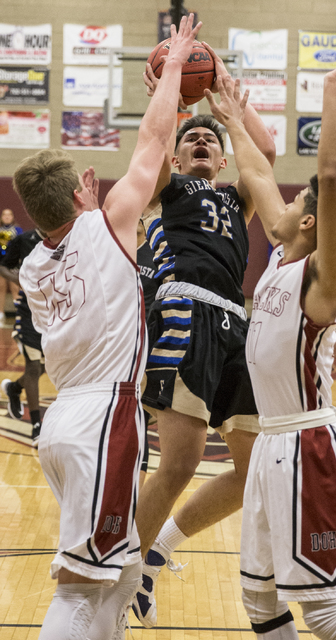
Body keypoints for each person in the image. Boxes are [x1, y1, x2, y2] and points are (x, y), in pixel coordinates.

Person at [13, 14, 202, 640]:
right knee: (79, 589)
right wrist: (173, 66)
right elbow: (152, 147)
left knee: (118, 574)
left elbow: (80, 253)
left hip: (64, 421)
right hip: (102, 421)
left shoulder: (32, 263)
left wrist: (89, 215)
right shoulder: (106, 223)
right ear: (79, 198)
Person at [205, 51, 336, 639]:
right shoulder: (283, 253)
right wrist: (231, 117)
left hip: (310, 446)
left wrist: (330, 87)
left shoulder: (325, 280)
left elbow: (330, 178)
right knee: (260, 602)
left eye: (299, 202)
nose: (284, 201)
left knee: (326, 615)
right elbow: (254, 172)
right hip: (274, 447)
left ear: (313, 221)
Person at [132, 45, 276, 628]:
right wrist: (167, 92)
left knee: (253, 471)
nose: (201, 142)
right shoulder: (168, 190)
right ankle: (121, 577)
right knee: (181, 462)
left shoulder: (236, 198)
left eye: (210, 141)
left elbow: (264, 154)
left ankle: (159, 547)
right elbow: (152, 149)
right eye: (191, 137)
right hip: (183, 315)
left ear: (221, 161)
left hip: (235, 327)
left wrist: (229, 105)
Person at [0, 227, 46, 447]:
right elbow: (3, 266)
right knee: (33, 367)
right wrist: (19, 280)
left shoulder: (63, 239)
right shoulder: (23, 240)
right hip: (28, 311)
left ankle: (15, 388)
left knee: (50, 366)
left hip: (53, 313)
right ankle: (37, 425)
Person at [137, 218, 159, 487]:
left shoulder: (156, 257)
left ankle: (136, 494)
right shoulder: (114, 251)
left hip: (146, 345)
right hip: (115, 346)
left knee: (139, 417)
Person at [0, 208, 23, 327]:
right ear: (2, 217)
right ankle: (1, 313)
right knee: (1, 287)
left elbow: (20, 246)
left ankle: (19, 313)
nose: (7, 217)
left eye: (9, 215)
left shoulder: (18, 230)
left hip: (13, 263)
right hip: (1, 262)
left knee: (15, 287)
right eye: (5, 215)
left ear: (13, 217)